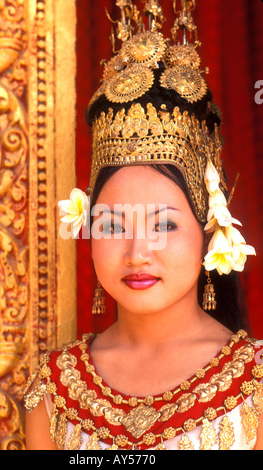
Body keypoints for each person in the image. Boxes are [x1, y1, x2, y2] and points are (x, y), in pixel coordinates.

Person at [24, 0, 263, 450]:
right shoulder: (54, 390)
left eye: (165, 225)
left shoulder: (255, 387)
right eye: (113, 225)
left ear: (210, 229)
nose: (137, 250)